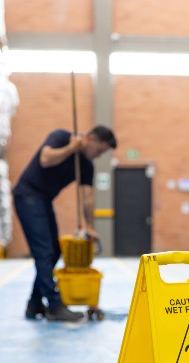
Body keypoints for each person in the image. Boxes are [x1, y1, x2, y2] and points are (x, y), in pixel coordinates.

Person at [13, 125, 116, 322]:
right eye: (99, 150)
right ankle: (54, 306)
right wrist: (71, 148)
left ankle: (34, 304)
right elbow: (45, 159)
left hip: (44, 200)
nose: (98, 155)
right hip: (27, 195)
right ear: (91, 138)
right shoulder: (61, 137)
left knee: (54, 250)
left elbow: (87, 198)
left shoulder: (86, 165)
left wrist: (90, 226)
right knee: (44, 251)